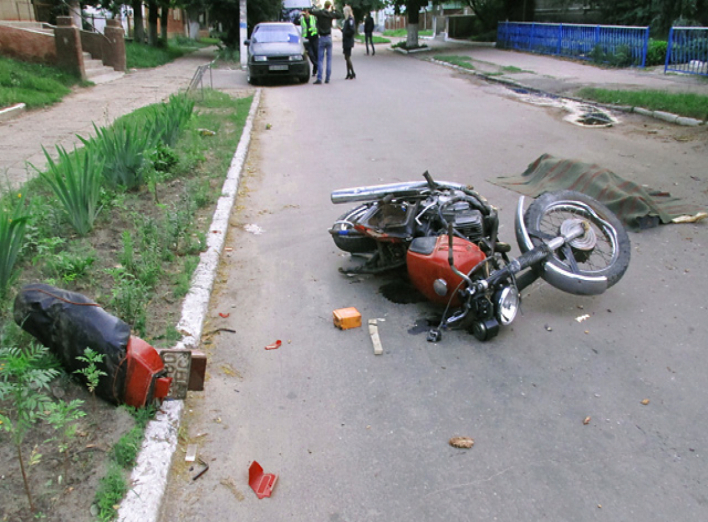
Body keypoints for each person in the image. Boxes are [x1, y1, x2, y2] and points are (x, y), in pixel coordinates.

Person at [310, 1, 343, 84]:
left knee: (320, 59)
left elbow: (311, 12)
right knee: (329, 59)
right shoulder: (330, 14)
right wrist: (334, 9)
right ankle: (327, 78)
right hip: (329, 37)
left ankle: (320, 78)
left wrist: (315, 7)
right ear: (329, 6)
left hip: (321, 37)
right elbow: (339, 15)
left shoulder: (320, 13)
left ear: (324, 6)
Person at [300, 8, 319, 77]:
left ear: (307, 12)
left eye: (305, 12)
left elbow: (317, 25)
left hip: (315, 38)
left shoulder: (313, 17)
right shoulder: (301, 19)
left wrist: (318, 32)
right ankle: (318, 66)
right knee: (311, 55)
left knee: (316, 54)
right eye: (303, 13)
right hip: (307, 40)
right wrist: (300, 15)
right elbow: (295, 22)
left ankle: (315, 70)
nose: (304, 14)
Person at [342, 6, 356, 79]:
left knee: (347, 57)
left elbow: (352, 30)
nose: (343, 13)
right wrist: (342, 30)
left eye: (344, 11)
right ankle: (348, 73)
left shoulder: (350, 19)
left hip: (348, 41)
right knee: (346, 57)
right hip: (346, 41)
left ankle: (353, 72)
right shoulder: (347, 20)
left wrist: (345, 32)